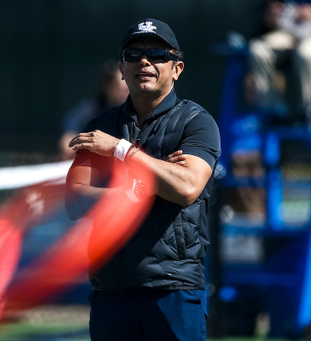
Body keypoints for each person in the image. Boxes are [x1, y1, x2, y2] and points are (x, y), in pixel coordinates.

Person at [65, 18, 221, 341]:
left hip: (173, 290)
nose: (145, 62)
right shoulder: (100, 126)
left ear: (177, 68)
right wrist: (143, 182)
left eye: (157, 54)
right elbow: (75, 198)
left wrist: (121, 151)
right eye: (133, 55)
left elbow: (186, 187)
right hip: (112, 292)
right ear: (122, 68)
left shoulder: (197, 123)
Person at [248, 0, 311, 129]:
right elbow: (261, 13)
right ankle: (273, 111)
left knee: (307, 54)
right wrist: (268, 14)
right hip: (285, 33)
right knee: (258, 49)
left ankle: (308, 112)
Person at [59, 60, 129, 160]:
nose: (124, 93)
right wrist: (70, 138)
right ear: (107, 86)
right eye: (118, 88)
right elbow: (72, 124)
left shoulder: (136, 108)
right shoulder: (94, 105)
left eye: (127, 88)